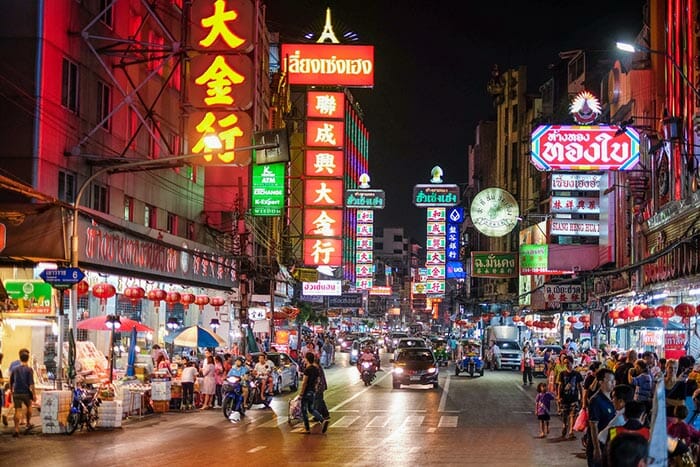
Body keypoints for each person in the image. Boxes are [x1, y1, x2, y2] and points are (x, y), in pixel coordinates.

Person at [586, 368, 617, 466]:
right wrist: (597, 448)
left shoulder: (612, 399)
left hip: (609, 444)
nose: (613, 383)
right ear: (601, 382)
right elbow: (593, 425)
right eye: (610, 381)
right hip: (600, 445)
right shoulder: (596, 400)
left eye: (614, 381)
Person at [9, 349, 35, 437]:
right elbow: (31, 384)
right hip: (26, 392)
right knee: (29, 407)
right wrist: (34, 395)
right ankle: (28, 423)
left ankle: (16, 429)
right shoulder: (29, 369)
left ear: (20, 359)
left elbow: (11, 381)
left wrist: (11, 390)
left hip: (16, 392)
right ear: (27, 359)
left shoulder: (15, 369)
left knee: (17, 410)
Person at [557, 355, 584, 440]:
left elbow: (580, 386)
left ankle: (571, 431)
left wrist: (582, 397)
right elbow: (560, 386)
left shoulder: (577, 374)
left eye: (568, 363)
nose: (567, 365)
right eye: (565, 363)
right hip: (564, 398)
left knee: (573, 414)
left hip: (574, 397)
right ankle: (565, 425)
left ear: (572, 363)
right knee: (565, 415)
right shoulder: (562, 374)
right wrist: (559, 396)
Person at [299, 352, 326, 434]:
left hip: (307, 391)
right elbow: (318, 380)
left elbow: (304, 382)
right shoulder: (315, 369)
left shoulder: (307, 370)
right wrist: (315, 388)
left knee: (304, 410)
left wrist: (301, 393)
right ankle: (322, 420)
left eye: (304, 358)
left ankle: (307, 428)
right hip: (313, 391)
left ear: (307, 359)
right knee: (311, 409)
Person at [311, 356, 330, 431]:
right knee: (320, 400)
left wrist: (315, 387)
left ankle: (318, 416)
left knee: (317, 401)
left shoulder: (317, 368)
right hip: (321, 386)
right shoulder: (318, 367)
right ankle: (325, 414)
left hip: (319, 387)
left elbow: (318, 379)